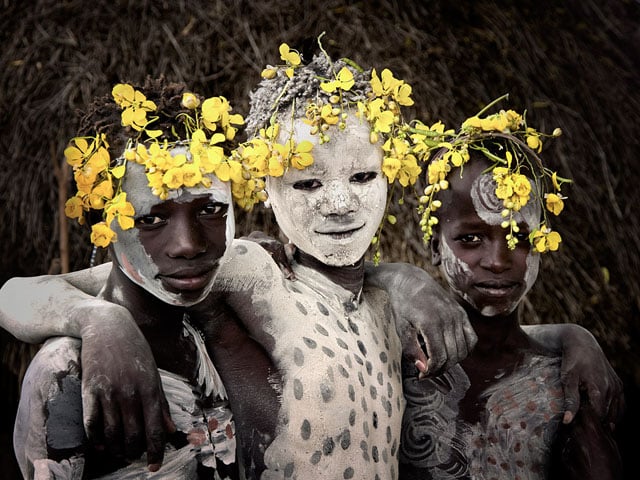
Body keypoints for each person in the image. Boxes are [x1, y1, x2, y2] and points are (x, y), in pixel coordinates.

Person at [1, 43, 622, 477]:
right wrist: (98, 320)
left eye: (361, 176)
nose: (339, 204)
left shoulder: (391, 299)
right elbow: (17, 295)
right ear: (263, 188)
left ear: (389, 178)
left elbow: (497, 341)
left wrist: (573, 337)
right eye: (305, 184)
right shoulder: (247, 269)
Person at [10, 78, 289, 478]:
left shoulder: (219, 308)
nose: (188, 245)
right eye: (151, 219)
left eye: (210, 210)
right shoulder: (69, 371)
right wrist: (104, 321)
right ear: (104, 220)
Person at [397, 109, 623, 478]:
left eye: (519, 239)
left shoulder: (567, 383)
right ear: (435, 246)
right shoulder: (397, 364)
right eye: (470, 239)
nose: (499, 261)